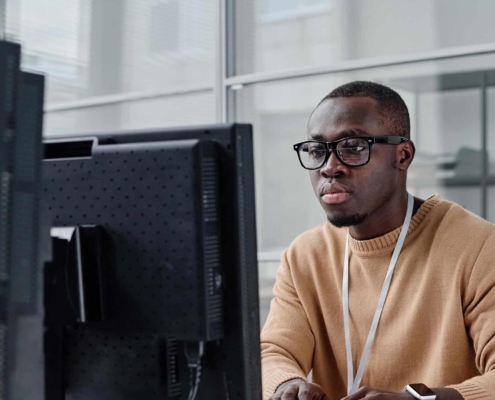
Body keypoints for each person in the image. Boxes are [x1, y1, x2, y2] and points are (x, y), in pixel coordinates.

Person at [261, 81, 495, 400]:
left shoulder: (479, 246)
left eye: (354, 146)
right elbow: (273, 351)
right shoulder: (303, 256)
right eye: (317, 150)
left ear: (403, 155)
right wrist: (285, 384)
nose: (330, 166)